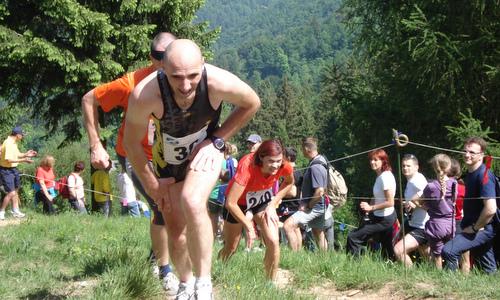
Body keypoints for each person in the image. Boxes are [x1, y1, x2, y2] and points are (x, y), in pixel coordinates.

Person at [123, 39, 260, 299]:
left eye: (193, 76)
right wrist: (152, 184)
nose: (185, 86)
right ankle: (185, 284)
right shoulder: (145, 94)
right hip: (168, 163)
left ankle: (204, 284)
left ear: (203, 65)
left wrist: (217, 140)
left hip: (205, 154)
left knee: (193, 200)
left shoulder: (217, 82)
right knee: (175, 229)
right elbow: (131, 143)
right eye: (176, 77)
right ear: (162, 68)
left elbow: (252, 102)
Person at [81, 32, 178, 292]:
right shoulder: (131, 83)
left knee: (178, 206)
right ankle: (165, 271)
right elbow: (89, 99)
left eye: (171, 56)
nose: (168, 63)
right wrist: (96, 144)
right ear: (152, 58)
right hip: (134, 153)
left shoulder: (183, 77)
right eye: (161, 58)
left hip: (166, 154)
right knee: (161, 205)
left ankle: (155, 256)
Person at [218, 139, 293, 281]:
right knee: (231, 247)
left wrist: (273, 204)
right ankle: (219, 268)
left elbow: (289, 182)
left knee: (273, 241)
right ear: (261, 157)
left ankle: (269, 282)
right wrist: (249, 226)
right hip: (238, 202)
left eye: (278, 161)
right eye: (271, 161)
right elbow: (231, 203)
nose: (276, 166)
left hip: (261, 199)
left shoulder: (284, 165)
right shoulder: (247, 165)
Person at [442, 137, 497, 274]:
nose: (467, 155)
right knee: (489, 269)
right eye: (465, 151)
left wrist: (475, 228)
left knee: (449, 250)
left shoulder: (484, 176)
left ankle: (449, 289)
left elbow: (491, 208)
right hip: (475, 227)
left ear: (481, 155)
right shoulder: (471, 174)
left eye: (472, 152)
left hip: (482, 229)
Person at [283, 137, 332, 251]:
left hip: (315, 207)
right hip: (320, 205)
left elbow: (320, 191)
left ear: (307, 149)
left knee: (288, 226)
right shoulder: (320, 160)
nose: (302, 151)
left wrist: (308, 205)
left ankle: (293, 259)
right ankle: (324, 260)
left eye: (302, 149)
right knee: (317, 232)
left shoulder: (316, 166)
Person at [346, 148, 397, 257]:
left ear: (383, 161)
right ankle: (390, 266)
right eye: (371, 160)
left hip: (385, 218)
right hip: (380, 216)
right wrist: (368, 209)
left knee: (353, 237)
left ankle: (353, 266)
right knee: (386, 246)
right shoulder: (380, 175)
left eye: (376, 160)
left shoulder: (385, 177)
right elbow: (377, 195)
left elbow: (390, 202)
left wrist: (371, 208)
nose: (372, 162)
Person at [421, 154, 456, 269]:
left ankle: (439, 276)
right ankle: (453, 275)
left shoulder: (430, 186)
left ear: (434, 168)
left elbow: (421, 201)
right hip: (451, 224)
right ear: (449, 167)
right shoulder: (454, 183)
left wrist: (429, 208)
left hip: (436, 225)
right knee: (452, 253)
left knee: (437, 255)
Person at [393, 154, 429, 267]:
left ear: (416, 167)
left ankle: (411, 276)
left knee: (399, 250)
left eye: (408, 166)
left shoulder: (417, 180)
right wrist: (410, 204)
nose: (405, 168)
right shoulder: (411, 181)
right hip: (415, 223)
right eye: (403, 166)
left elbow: (429, 197)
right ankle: (435, 277)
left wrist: (414, 204)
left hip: (423, 226)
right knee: (427, 255)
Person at [0, 126, 37, 220]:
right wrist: (24, 160)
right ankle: (2, 212)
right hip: (6, 170)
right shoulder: (8, 143)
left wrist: (26, 154)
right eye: (22, 135)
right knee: (11, 192)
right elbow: (8, 160)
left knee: (16, 190)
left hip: (13, 169)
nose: (23, 136)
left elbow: (17, 154)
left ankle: (15, 211)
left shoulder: (14, 142)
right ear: (17, 135)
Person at [448, 158, 470, 273]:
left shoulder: (443, 187)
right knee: (465, 257)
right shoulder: (464, 189)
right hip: (463, 221)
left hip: (449, 222)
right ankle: (465, 281)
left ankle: (452, 280)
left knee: (451, 255)